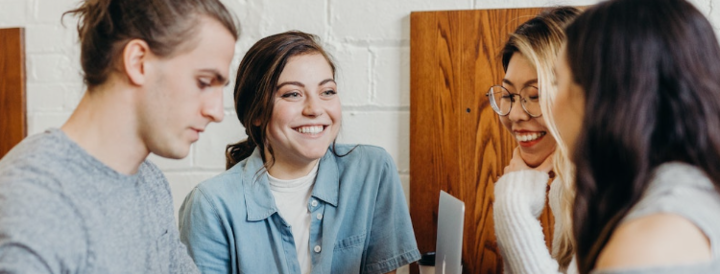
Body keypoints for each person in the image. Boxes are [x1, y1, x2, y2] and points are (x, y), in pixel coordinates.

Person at [0, 0, 238, 272]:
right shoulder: (31, 203)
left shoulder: (151, 183)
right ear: (138, 62)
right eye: (204, 82)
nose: (217, 112)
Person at [178, 31, 420, 274]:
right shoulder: (210, 205)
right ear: (257, 113)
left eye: (327, 91)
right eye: (292, 94)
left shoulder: (373, 171)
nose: (315, 109)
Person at [554, 0, 720, 273]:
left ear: (604, 98)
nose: (552, 103)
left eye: (556, 81)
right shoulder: (691, 192)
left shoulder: (649, 242)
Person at [489, 7, 581, 274]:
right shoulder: (566, 185)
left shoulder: (614, 190)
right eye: (508, 95)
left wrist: (512, 206)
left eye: (535, 94)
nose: (516, 115)